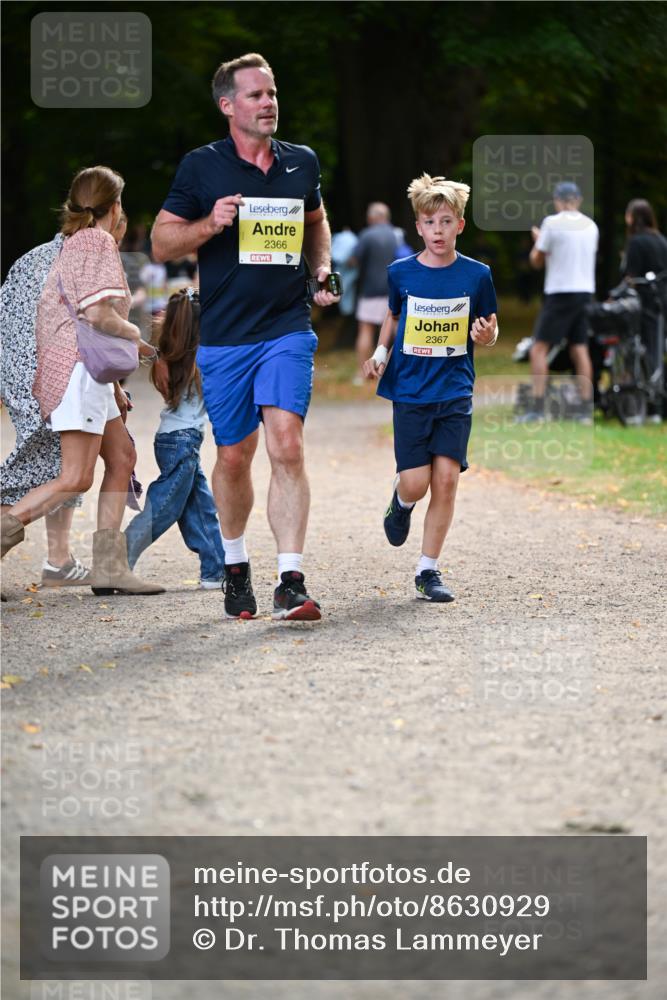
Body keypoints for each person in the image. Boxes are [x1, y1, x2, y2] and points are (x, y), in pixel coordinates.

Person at [150, 52, 339, 621]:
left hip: (286, 327)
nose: (269, 103)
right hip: (226, 336)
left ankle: (290, 580)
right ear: (228, 106)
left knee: (288, 445)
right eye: (256, 95)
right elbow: (161, 243)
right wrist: (210, 223)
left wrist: (322, 269)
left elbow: (316, 220)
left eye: (272, 92)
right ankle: (234, 566)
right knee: (234, 456)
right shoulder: (201, 167)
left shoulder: (300, 162)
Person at [0, 165, 164, 596]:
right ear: (114, 207)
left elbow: (81, 321)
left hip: (89, 372)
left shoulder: (75, 242)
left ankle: (109, 568)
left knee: (122, 457)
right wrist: (136, 334)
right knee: (75, 477)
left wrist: (124, 372)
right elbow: (96, 316)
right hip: (78, 373)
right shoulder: (95, 242)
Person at [363, 173, 498, 603]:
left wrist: (485, 337)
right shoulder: (401, 273)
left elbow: (489, 328)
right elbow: (392, 316)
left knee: (447, 480)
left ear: (460, 224)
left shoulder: (477, 276)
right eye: (429, 222)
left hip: (455, 390)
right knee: (417, 483)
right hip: (411, 391)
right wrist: (381, 355)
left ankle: (428, 571)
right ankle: (400, 504)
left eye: (446, 221)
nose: (438, 231)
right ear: (417, 227)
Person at [124, 288, 226, 587]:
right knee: (164, 506)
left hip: (174, 439)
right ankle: (114, 559)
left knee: (201, 506)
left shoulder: (170, 355)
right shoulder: (203, 359)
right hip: (182, 442)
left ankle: (215, 569)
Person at [523, 181, 599, 422]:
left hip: (560, 293)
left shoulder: (551, 224)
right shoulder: (591, 226)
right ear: (578, 200)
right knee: (579, 349)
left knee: (538, 349)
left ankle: (537, 407)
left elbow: (537, 261)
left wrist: (538, 240)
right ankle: (584, 408)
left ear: (558, 200)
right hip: (585, 292)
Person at [621, 199, 667, 422]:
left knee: (637, 350)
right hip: (661, 303)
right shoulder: (661, 240)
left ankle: (637, 404)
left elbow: (630, 277)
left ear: (632, 217)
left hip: (640, 304)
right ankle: (655, 407)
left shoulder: (636, 242)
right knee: (656, 351)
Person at [352, 202, 399, 382]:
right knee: (391, 332)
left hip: (369, 291)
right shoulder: (397, 235)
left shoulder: (366, 235)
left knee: (365, 331)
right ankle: (386, 374)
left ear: (372, 217)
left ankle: (361, 374)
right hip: (392, 291)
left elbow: (355, 260)